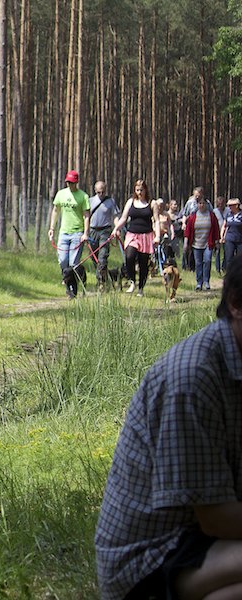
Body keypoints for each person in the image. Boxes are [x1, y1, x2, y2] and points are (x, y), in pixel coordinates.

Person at [95, 254, 242, 600]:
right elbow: (215, 518)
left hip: (202, 540)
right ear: (236, 304)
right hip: (148, 556)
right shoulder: (193, 377)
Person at [111, 179, 160, 297]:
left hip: (146, 236)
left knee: (143, 263)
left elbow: (157, 221)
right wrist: (116, 229)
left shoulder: (152, 203)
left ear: (146, 190)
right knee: (129, 256)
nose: (139, 192)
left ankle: (141, 288)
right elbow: (123, 218)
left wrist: (157, 236)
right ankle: (132, 281)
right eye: (137, 190)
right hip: (132, 234)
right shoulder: (130, 202)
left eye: (141, 190)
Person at [48, 170, 91, 298]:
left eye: (72, 183)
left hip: (77, 233)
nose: (70, 185)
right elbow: (56, 210)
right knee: (63, 261)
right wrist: (52, 228)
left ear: (76, 182)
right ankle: (70, 283)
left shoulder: (83, 196)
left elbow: (86, 215)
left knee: (73, 263)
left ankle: (72, 289)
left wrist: (86, 233)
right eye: (68, 182)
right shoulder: (61, 194)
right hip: (64, 233)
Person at [87, 181, 120, 291]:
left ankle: (101, 282)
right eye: (99, 192)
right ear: (95, 191)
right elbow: (85, 216)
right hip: (92, 231)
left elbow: (115, 216)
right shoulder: (90, 201)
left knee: (103, 256)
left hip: (105, 231)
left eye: (103, 192)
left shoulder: (110, 201)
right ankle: (105, 276)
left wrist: (116, 229)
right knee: (93, 256)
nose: (101, 194)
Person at [184, 196, 220, 291]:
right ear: (197, 205)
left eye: (203, 203)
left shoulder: (211, 216)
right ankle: (199, 282)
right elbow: (188, 231)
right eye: (200, 203)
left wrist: (217, 242)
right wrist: (186, 243)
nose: (202, 205)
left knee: (207, 261)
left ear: (206, 205)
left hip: (208, 243)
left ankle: (206, 281)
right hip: (196, 244)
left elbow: (216, 229)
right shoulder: (193, 216)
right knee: (198, 263)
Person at [181, 186, 204, 271]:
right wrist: (184, 223)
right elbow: (185, 214)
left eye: (199, 195)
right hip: (190, 228)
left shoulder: (206, 203)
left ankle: (194, 267)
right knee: (186, 247)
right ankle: (184, 265)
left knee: (196, 247)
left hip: (201, 229)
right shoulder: (190, 203)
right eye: (196, 195)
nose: (197, 197)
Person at [222, 197, 242, 265]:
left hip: (240, 239)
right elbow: (224, 226)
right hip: (229, 239)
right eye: (229, 205)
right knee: (229, 258)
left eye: (231, 205)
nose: (229, 207)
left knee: (239, 259)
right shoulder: (228, 214)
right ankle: (229, 271)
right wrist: (222, 236)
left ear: (236, 205)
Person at [213, 196, 230, 273]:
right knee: (217, 251)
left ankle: (224, 267)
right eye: (219, 204)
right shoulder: (214, 211)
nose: (220, 205)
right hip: (217, 233)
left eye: (222, 203)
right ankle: (217, 268)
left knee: (227, 251)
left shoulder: (228, 210)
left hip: (227, 233)